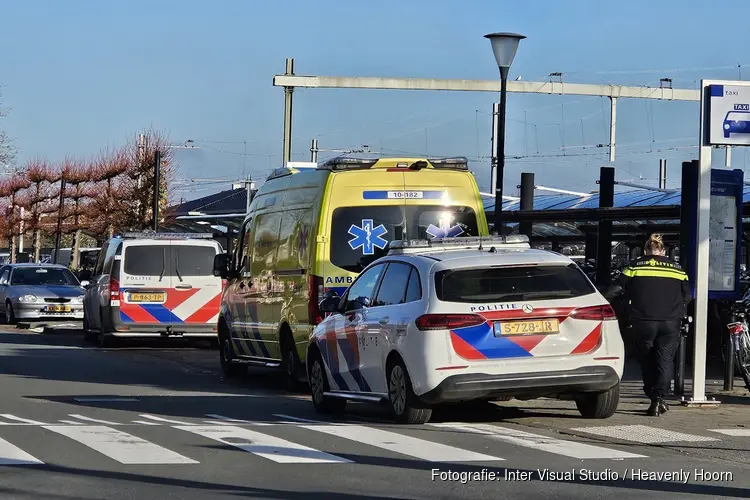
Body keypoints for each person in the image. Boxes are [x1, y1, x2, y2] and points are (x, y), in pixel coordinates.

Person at [614, 234, 692, 417]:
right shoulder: (678, 268)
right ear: (663, 251)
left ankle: (652, 395)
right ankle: (660, 399)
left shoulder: (635, 266)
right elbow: (688, 295)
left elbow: (617, 287)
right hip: (670, 322)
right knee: (665, 361)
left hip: (643, 322)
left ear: (645, 250)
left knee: (647, 360)